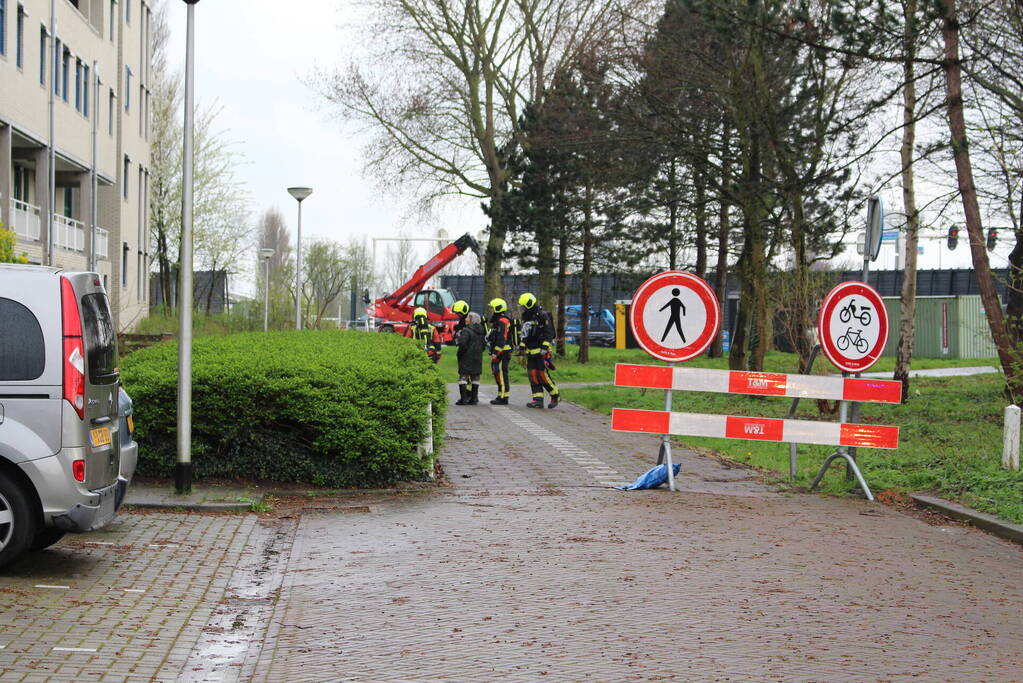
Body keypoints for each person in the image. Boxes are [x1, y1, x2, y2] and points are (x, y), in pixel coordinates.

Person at [518, 292, 560, 409]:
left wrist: (545, 347)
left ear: (530, 304)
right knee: (533, 375)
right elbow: (525, 334)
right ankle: (538, 400)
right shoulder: (527, 317)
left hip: (541, 351)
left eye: (524, 306)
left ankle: (555, 395)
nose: (523, 308)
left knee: (542, 375)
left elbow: (549, 332)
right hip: (530, 351)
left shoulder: (542, 316)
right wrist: (521, 346)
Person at [455, 312, 485, 405]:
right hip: (478, 357)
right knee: (475, 377)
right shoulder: (481, 331)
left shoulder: (466, 331)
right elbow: (483, 345)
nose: (465, 319)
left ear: (472, 320)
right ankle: (474, 399)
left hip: (466, 357)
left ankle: (464, 399)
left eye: (467, 318)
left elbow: (462, 344)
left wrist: (459, 354)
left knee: (463, 377)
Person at [487, 298, 513, 405]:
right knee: (498, 373)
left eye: (493, 308)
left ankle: (503, 397)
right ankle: (501, 395)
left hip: (503, 352)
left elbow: (502, 338)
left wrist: (496, 352)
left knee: (501, 373)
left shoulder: (502, 322)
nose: (492, 311)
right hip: (501, 351)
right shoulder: (499, 321)